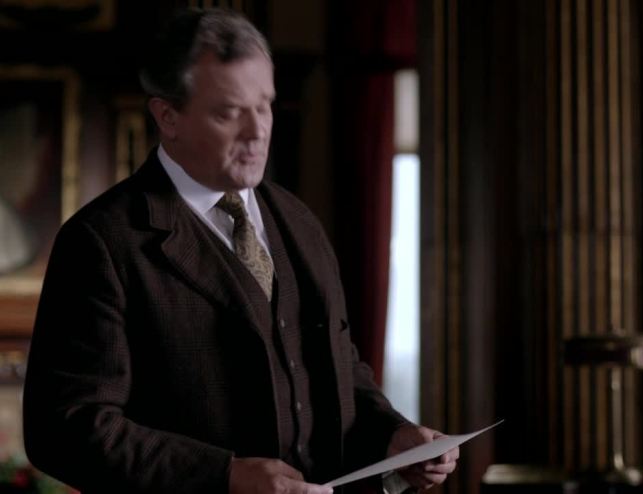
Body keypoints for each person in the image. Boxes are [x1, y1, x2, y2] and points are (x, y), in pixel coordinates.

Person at [22, 8, 458, 494]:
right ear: (168, 117)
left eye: (264, 105)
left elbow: (338, 367)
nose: (258, 131)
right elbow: (63, 428)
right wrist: (223, 476)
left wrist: (391, 436)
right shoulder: (101, 241)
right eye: (229, 112)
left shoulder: (299, 221)